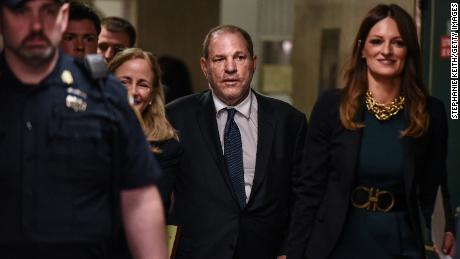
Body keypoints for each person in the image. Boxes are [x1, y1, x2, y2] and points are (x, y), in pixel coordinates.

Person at [0, 1, 167, 258]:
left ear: (62, 15)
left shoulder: (104, 93)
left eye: (48, 11)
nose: (36, 25)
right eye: (20, 10)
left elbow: (139, 197)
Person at [287, 4, 456, 259]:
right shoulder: (332, 106)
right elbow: (310, 189)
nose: (386, 51)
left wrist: (448, 230)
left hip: (401, 241)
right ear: (362, 49)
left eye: (397, 43)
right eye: (376, 41)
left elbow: (435, 184)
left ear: (408, 50)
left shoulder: (431, 112)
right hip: (338, 240)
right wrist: (294, 251)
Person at [165, 25, 308, 259]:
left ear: (253, 62)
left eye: (239, 57)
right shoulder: (176, 117)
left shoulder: (288, 121)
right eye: (219, 59)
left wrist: (290, 252)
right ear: (205, 67)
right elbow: (158, 195)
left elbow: (303, 197)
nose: (230, 68)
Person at [108, 47, 181, 213]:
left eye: (143, 84)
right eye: (123, 82)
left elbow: (155, 207)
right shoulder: (83, 130)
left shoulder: (166, 147)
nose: (132, 92)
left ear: (152, 95)